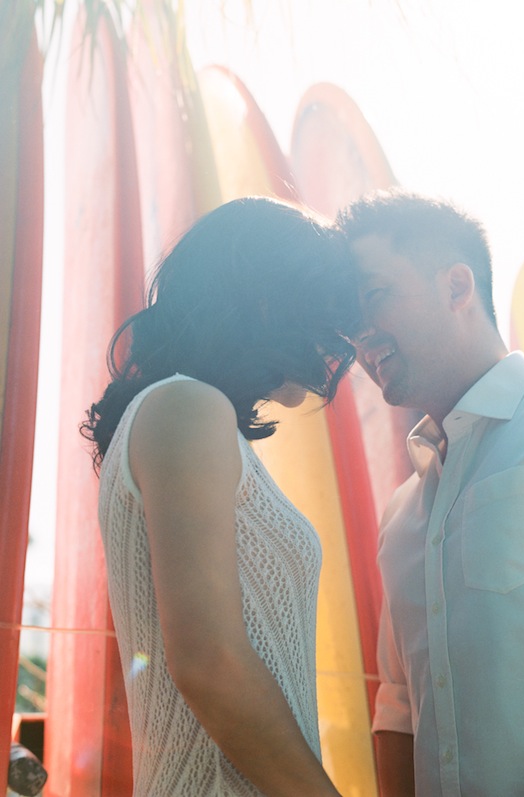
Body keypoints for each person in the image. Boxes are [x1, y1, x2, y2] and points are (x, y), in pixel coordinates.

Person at [81, 196, 359, 797]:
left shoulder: (186, 414)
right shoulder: (186, 406)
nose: (340, 341)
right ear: (264, 298)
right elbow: (210, 661)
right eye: (324, 310)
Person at [337, 188, 524, 797]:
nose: (357, 333)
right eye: (345, 318)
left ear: (457, 287)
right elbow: (400, 705)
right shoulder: (401, 514)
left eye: (373, 296)